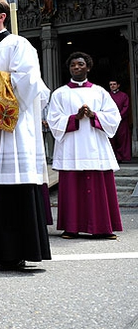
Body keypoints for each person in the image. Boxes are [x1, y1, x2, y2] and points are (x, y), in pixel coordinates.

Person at [0, 0, 51, 271]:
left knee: (13, 190)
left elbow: (26, 82)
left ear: (2, 16)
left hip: (11, 129)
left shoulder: (19, 45)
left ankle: (15, 252)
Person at [47, 52, 122, 239]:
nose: (76, 67)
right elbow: (53, 119)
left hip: (95, 145)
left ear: (88, 67)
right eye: (73, 65)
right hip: (72, 146)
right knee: (72, 187)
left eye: (80, 64)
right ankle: (71, 227)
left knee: (98, 186)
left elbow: (114, 116)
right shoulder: (59, 94)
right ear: (69, 68)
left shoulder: (99, 92)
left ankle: (102, 227)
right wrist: (75, 118)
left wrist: (94, 115)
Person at [108, 80, 131, 162]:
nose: (112, 86)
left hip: (121, 121)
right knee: (111, 139)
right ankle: (113, 157)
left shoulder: (124, 96)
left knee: (122, 139)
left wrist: (119, 117)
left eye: (114, 84)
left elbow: (126, 107)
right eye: (110, 84)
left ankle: (121, 158)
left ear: (118, 85)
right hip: (110, 121)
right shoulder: (107, 96)